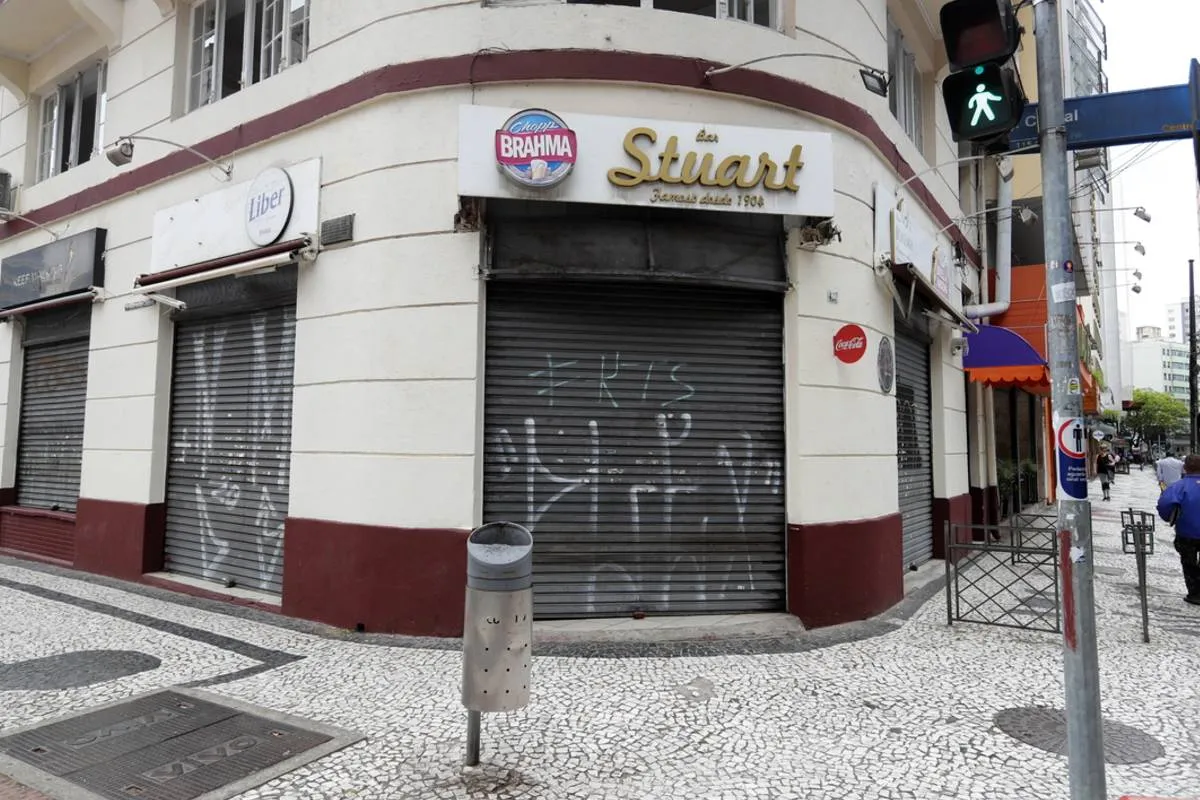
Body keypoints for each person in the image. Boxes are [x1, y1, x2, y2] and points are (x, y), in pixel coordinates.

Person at [1155, 453, 1200, 606]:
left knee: (1189, 563)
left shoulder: (1179, 486)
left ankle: (1195, 593)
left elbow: (1164, 504)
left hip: (1187, 532)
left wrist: (1170, 517)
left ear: (1185, 467)